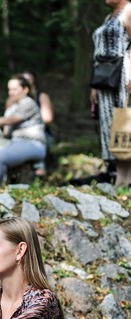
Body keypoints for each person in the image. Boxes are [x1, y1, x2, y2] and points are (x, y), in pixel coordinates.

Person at [0, 76, 46, 186]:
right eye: (9, 89)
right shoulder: (12, 108)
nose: (11, 93)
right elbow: (6, 132)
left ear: (25, 89)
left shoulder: (28, 103)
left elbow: (10, 120)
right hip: (14, 143)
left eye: (14, 89)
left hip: (33, 144)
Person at [95, 1, 131, 187]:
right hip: (105, 79)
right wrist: (94, 85)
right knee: (112, 126)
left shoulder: (129, 10)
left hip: (124, 76)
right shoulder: (108, 17)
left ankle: (125, 178)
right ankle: (121, 177)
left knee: (125, 122)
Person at [20, 71, 54, 177]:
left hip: (41, 134)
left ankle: (40, 170)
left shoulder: (41, 96)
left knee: (34, 136)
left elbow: (48, 119)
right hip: (19, 135)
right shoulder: (16, 99)